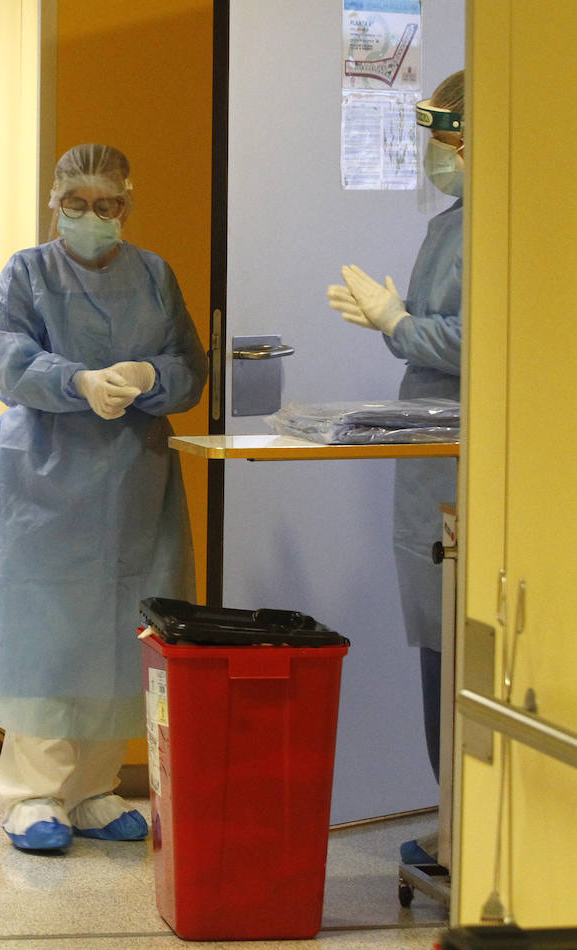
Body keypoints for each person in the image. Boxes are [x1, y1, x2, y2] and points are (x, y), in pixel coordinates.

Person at [0, 143, 208, 852]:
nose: (92, 218)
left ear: (126, 205)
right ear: (55, 203)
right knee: (47, 634)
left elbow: (190, 367)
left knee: (118, 632)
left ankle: (93, 788)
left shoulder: (154, 275)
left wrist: (146, 375)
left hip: (133, 482)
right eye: (78, 205)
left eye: (108, 206)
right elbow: (9, 359)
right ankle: (34, 795)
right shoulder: (28, 273)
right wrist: (78, 383)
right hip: (42, 478)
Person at [327, 70, 465, 867]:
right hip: (434, 463)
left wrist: (402, 323)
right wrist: (398, 325)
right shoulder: (454, 223)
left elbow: (479, 337)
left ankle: (474, 831)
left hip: (466, 463)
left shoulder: (510, 222)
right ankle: (456, 820)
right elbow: (433, 331)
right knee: (438, 648)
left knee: (464, 650)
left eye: (444, 139)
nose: (434, 156)